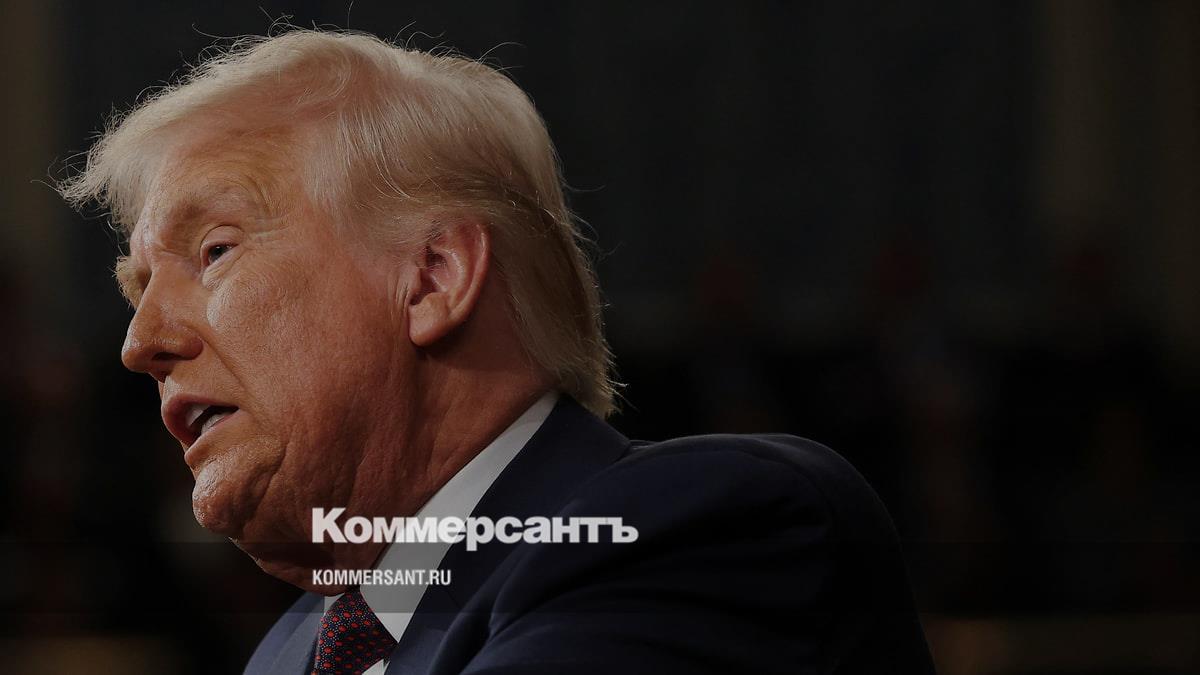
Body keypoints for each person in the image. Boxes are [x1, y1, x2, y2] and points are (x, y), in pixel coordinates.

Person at [61, 29, 935, 675]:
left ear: (433, 278)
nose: (142, 343)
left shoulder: (694, 532)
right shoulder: (292, 649)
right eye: (139, 289)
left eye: (215, 250)